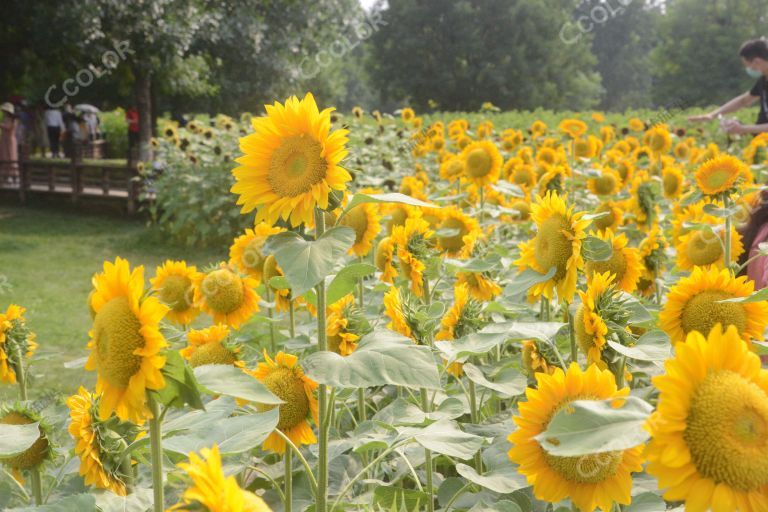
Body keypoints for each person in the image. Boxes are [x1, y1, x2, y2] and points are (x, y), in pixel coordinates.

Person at [689, 38, 768, 135]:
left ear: (757, 62)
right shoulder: (763, 80)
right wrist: (712, 115)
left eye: (748, 65)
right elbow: (743, 101)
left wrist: (743, 128)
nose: (748, 69)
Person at [0, 102, 19, 183]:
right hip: (5, 139)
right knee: (4, 156)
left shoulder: (12, 119)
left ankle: (12, 175)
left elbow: (8, 127)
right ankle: (6, 175)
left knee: (11, 156)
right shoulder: (7, 118)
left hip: (9, 139)